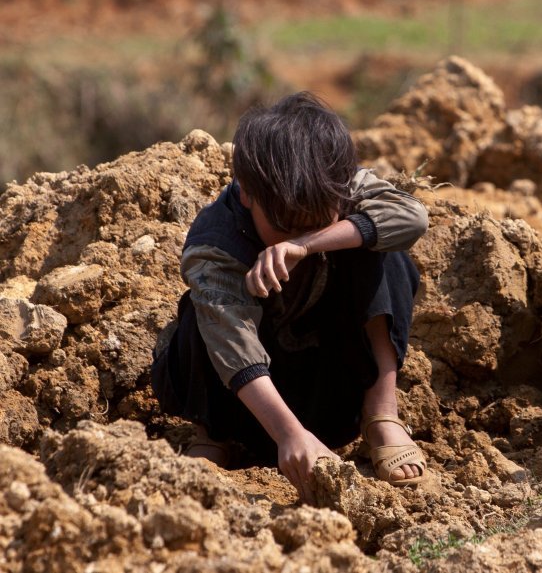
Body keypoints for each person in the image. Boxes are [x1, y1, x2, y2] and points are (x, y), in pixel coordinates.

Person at [151, 92, 430, 501]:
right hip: (247, 408)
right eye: (284, 226)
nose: (294, 235)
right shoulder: (215, 243)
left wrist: (307, 244)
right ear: (246, 193)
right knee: (203, 312)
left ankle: (381, 412)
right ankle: (213, 435)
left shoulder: (335, 183)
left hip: (331, 393)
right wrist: (290, 435)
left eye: (316, 220)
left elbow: (413, 216)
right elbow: (235, 348)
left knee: (385, 250)